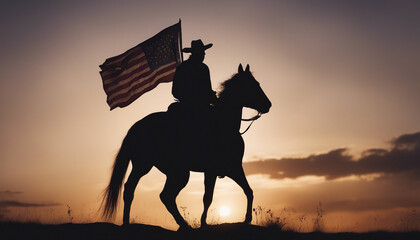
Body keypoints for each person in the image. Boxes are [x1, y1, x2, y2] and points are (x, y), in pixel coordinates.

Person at [171, 39, 217, 168]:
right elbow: (175, 91)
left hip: (201, 105)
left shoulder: (203, 68)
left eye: (204, 53)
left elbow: (208, 91)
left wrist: (212, 98)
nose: (203, 55)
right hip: (188, 106)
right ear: (195, 53)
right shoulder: (183, 68)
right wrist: (193, 97)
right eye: (202, 53)